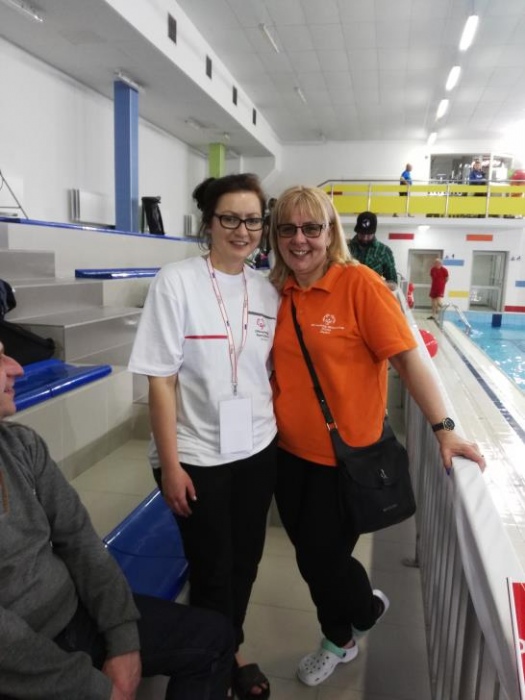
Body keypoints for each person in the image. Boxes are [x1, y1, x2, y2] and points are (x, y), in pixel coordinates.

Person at [267, 185, 485, 688]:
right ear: (276, 236)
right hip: (287, 456)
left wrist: (444, 429)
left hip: (347, 460)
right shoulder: (276, 291)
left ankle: (343, 634)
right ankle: (358, 614)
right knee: (309, 556)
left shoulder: (359, 284)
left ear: (330, 232)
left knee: (323, 557)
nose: (299, 240)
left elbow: (409, 359)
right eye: (288, 229)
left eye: (311, 228)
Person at [0, 341, 234, 700]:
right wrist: (93, 688)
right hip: (19, 666)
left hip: (73, 614)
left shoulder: (20, 445)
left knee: (215, 638)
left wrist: (122, 635)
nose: (17, 368)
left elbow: (80, 540)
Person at [128, 173, 279, 700]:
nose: (242, 230)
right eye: (229, 218)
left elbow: (265, 372)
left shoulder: (267, 290)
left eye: (253, 220)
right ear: (208, 223)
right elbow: (160, 381)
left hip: (257, 447)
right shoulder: (177, 281)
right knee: (213, 567)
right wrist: (170, 466)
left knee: (246, 561)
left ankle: (226, 646)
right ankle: (216, 667)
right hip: (195, 453)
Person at [348, 211, 398, 290]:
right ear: (357, 231)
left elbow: (394, 284)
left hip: (372, 295)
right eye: (362, 234)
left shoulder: (384, 251)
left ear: (374, 232)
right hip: (348, 294)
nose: (365, 238)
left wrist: (377, 283)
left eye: (369, 234)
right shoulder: (345, 247)